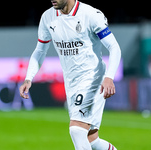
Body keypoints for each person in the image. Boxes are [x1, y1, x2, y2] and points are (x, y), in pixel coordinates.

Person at [19, 0, 121, 149]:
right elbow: (40, 50)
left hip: (92, 78)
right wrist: (29, 78)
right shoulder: (48, 17)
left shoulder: (90, 15)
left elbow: (114, 47)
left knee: (77, 130)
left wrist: (109, 77)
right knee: (91, 139)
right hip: (71, 82)